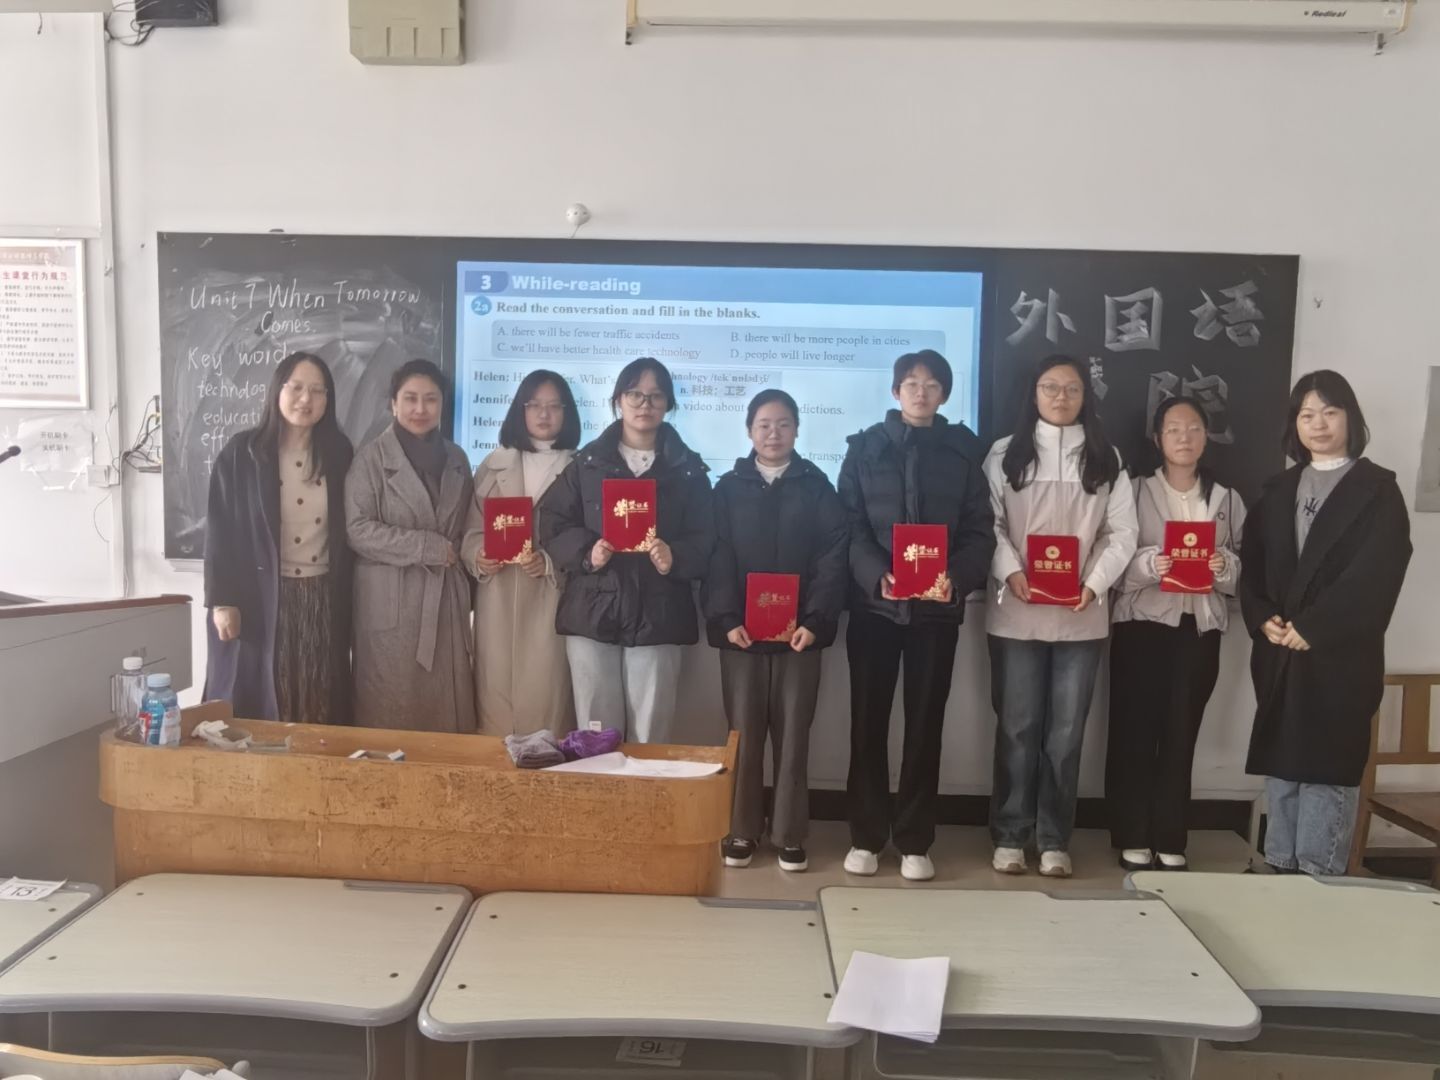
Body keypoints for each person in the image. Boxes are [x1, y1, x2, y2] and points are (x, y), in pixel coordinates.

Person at [1240, 370, 1411, 876]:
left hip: (1339, 656)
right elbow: (1253, 564)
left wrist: (1316, 625)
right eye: (1306, 414)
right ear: (1294, 424)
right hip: (1280, 650)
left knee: (1325, 767)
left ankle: (1319, 877)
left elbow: (1378, 573)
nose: (1318, 424)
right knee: (1282, 765)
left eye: (1329, 412)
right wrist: (1261, 618)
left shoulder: (1377, 492)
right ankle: (1279, 867)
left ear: (1350, 419)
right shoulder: (1278, 489)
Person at [838, 349, 995, 882]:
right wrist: (874, 573)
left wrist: (957, 576)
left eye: (930, 384)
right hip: (874, 609)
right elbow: (849, 524)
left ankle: (914, 840)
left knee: (926, 725)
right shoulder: (864, 449)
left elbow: (980, 531)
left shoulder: (964, 453)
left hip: (936, 612)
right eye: (910, 383)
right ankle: (865, 836)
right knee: (867, 724)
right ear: (895, 391)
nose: (920, 392)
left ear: (944, 394)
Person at [986, 354, 1137, 879]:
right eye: (1049, 387)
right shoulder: (1005, 454)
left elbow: (1122, 533)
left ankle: (1054, 839)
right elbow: (989, 523)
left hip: (1081, 615)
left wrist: (1094, 584)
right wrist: (1010, 571)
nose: (1060, 397)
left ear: (1085, 396)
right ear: (1033, 393)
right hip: (1017, 611)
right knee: (1017, 728)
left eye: (1071, 388)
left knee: (1066, 734)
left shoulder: (1105, 457)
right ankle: (1010, 835)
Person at [702, 389, 849, 873]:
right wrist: (726, 620)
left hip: (798, 638)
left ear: (797, 430)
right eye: (764, 424)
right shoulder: (726, 490)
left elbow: (833, 558)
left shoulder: (818, 488)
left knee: (793, 737)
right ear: (749, 430)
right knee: (743, 736)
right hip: (742, 637)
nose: (773, 433)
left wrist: (815, 622)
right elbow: (716, 556)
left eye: (784, 424)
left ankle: (789, 833)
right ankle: (741, 829)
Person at [537, 357, 714, 743]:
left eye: (655, 396)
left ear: (668, 404)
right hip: (593, 610)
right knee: (596, 736)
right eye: (635, 394)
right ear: (618, 400)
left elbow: (707, 537)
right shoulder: (586, 463)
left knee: (652, 737)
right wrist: (588, 552)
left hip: (659, 613)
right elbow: (551, 521)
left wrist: (675, 556)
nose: (644, 404)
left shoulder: (688, 471)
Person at [1107, 396, 1245, 872]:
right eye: (1173, 429)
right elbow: (1111, 560)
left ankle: (1170, 836)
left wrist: (1224, 567)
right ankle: (1131, 834)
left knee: (1181, 734)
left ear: (1206, 436)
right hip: (1143, 626)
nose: (1184, 438)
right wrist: (1151, 564)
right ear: (1157, 439)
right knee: (1134, 731)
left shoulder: (1227, 499)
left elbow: (1247, 570)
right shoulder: (1134, 490)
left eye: (1193, 429)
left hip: (1198, 629)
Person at [203, 351, 353, 724]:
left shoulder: (339, 454)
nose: (306, 399)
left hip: (321, 597)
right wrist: (222, 601)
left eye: (317, 390)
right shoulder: (242, 453)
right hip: (260, 596)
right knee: (263, 699)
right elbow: (220, 532)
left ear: (328, 400)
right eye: (296, 387)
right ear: (277, 391)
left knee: (317, 698)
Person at [346, 359, 476, 732]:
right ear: (393, 403)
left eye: (431, 399)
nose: (421, 409)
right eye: (410, 398)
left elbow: (467, 525)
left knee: (446, 720)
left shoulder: (457, 458)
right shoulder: (371, 459)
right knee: (391, 714)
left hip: (445, 602)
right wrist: (425, 547)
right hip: (391, 605)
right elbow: (357, 530)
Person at [460, 370, 580, 737]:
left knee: (547, 712)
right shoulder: (492, 464)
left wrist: (549, 563)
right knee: (496, 711)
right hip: (498, 599)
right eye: (534, 405)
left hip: (551, 600)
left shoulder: (580, 468)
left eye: (554, 406)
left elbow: (586, 538)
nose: (544, 414)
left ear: (567, 412)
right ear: (520, 410)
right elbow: (470, 530)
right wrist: (477, 555)